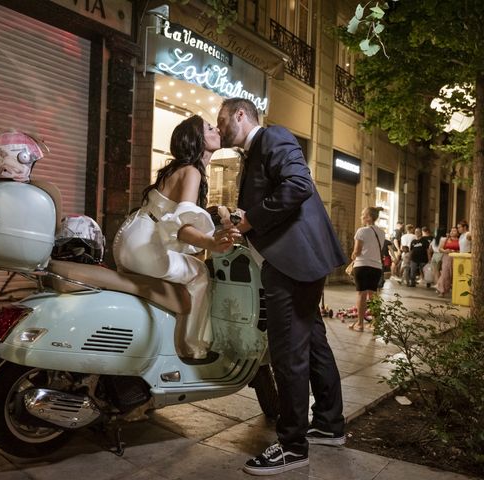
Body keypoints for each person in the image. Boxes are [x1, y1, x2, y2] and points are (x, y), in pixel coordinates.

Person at [217, 98, 347, 476]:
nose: (220, 126)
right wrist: (247, 219)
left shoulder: (273, 136)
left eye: (222, 120)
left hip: (292, 261)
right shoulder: (258, 149)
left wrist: (248, 221)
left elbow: (298, 184)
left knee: (288, 351)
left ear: (241, 115)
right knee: (313, 342)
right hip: (298, 260)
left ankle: (292, 445)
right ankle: (328, 422)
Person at [113, 115, 236, 361]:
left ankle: (170, 334)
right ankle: (191, 347)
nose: (216, 130)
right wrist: (212, 243)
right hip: (145, 247)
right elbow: (181, 227)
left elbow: (176, 216)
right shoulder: (191, 172)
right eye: (210, 128)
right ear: (198, 139)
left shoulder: (177, 170)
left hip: (128, 240)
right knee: (200, 274)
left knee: (184, 268)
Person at [350, 207, 385, 331]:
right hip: (376, 267)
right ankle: (375, 324)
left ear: (369, 217)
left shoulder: (361, 231)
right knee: (373, 295)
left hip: (362, 265)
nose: (361, 216)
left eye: (363, 214)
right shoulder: (382, 232)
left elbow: (357, 251)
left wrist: (352, 255)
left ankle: (360, 324)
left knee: (361, 294)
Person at [436, 226, 460, 297]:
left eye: (454, 231)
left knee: (454, 274)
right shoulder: (445, 239)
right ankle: (442, 291)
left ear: (458, 233)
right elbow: (440, 249)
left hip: (457, 258)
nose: (452, 232)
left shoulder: (460, 240)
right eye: (451, 231)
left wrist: (457, 251)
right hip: (447, 257)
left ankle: (455, 291)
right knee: (445, 274)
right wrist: (445, 250)